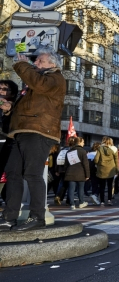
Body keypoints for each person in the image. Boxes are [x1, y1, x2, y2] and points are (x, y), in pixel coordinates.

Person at [0, 50, 66, 231]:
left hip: (38, 132)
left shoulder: (55, 78)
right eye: (35, 60)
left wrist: (22, 64)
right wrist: (9, 110)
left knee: (32, 174)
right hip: (22, 131)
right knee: (13, 174)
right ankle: (9, 217)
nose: (35, 62)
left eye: (40, 60)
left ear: (53, 64)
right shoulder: (33, 85)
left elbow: (40, 84)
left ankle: (37, 216)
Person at [64, 137, 90, 210]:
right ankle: (81, 202)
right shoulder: (83, 151)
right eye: (83, 142)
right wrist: (87, 175)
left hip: (70, 172)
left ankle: (72, 204)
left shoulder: (69, 151)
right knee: (80, 188)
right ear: (80, 142)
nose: (84, 143)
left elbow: (66, 164)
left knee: (71, 189)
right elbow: (86, 164)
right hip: (81, 173)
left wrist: (66, 172)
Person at [94, 136, 119, 206]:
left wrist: (98, 164)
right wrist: (117, 169)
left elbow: (96, 159)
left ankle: (102, 201)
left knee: (102, 186)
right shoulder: (114, 149)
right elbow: (116, 160)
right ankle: (109, 200)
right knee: (110, 185)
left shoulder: (100, 148)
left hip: (101, 169)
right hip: (111, 169)